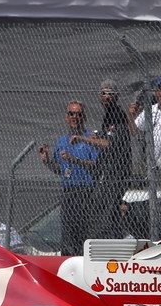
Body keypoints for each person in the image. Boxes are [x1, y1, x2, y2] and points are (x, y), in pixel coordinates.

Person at [40, 100, 99, 256]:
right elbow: (60, 169)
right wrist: (46, 161)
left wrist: (74, 160)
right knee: (67, 234)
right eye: (71, 114)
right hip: (68, 191)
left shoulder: (90, 138)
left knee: (83, 234)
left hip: (86, 191)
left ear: (83, 117)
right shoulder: (61, 141)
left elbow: (97, 165)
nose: (74, 117)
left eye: (78, 114)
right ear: (66, 117)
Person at [89, 79, 132, 235]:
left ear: (116, 97)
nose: (106, 97)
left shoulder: (117, 114)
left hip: (118, 172)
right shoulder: (108, 115)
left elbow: (110, 144)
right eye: (103, 94)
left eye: (110, 94)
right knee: (105, 208)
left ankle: (113, 237)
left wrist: (87, 139)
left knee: (108, 210)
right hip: (108, 170)